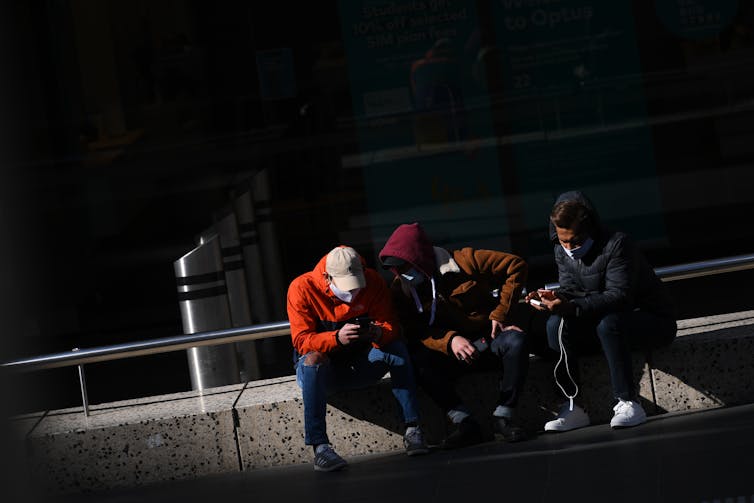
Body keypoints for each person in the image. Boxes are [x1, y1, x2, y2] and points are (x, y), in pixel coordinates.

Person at [526, 191, 677, 432]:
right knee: (555, 325)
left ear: (590, 230)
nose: (568, 247)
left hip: (650, 320)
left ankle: (628, 401)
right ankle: (573, 405)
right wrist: (556, 298)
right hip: (601, 321)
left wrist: (570, 306)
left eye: (574, 241)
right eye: (563, 241)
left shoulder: (617, 243)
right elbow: (571, 289)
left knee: (609, 323)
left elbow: (619, 296)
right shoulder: (560, 247)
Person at [379, 222, 530, 449]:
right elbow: (414, 330)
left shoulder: (465, 260)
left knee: (516, 341)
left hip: (487, 339)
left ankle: (504, 416)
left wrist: (501, 315)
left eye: (404, 266)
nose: (401, 274)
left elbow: (515, 265)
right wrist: (449, 340)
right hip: (449, 353)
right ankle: (464, 422)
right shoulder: (401, 290)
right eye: (396, 269)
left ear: (418, 258)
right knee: (417, 359)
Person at [287, 245, 430, 472]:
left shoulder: (372, 280)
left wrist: (379, 333)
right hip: (324, 374)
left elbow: (390, 324)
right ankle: (320, 447)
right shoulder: (301, 288)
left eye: (356, 284)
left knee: (396, 348)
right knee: (312, 361)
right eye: (346, 286)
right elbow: (302, 341)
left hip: (363, 363)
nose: (352, 293)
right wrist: (336, 338)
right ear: (327, 277)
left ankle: (413, 428)